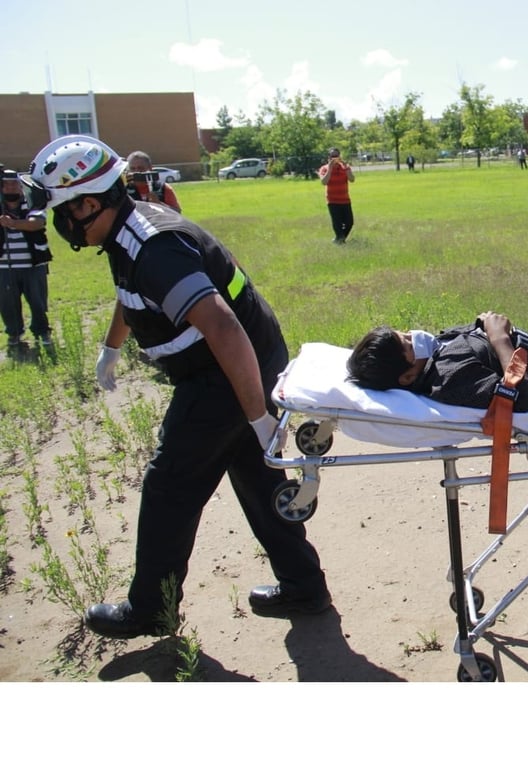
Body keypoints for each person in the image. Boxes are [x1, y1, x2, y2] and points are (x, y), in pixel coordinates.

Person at [27, 135, 331, 638]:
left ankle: (150, 609)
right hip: (245, 363)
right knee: (257, 480)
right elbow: (134, 296)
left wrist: (256, 417)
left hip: (225, 373)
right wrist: (112, 346)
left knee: (170, 486)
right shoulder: (128, 228)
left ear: (89, 203)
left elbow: (222, 327)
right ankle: (304, 584)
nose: (61, 226)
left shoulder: (153, 248)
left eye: (63, 212)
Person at [347, 312, 528, 412]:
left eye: (406, 333)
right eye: (408, 344)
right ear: (407, 377)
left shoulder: (436, 355)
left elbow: (467, 342)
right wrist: (499, 339)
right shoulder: (448, 380)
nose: (415, 336)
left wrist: (481, 324)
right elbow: (521, 400)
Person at [1, 168, 52, 353]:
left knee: (38, 302)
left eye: (14, 183)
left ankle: (42, 332)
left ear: (21, 186)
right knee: (7, 303)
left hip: (33, 264)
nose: (10, 188)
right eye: (5, 184)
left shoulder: (33, 202)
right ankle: (14, 333)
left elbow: (36, 223)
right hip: (5, 266)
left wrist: (13, 223)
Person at [318, 147, 355, 244]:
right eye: (332, 156)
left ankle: (339, 239)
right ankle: (340, 239)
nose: (335, 158)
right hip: (332, 200)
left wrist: (346, 167)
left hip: (345, 200)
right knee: (337, 223)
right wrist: (330, 168)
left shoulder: (345, 167)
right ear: (329, 157)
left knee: (349, 222)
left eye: (336, 156)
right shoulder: (324, 168)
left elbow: (352, 179)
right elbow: (324, 182)